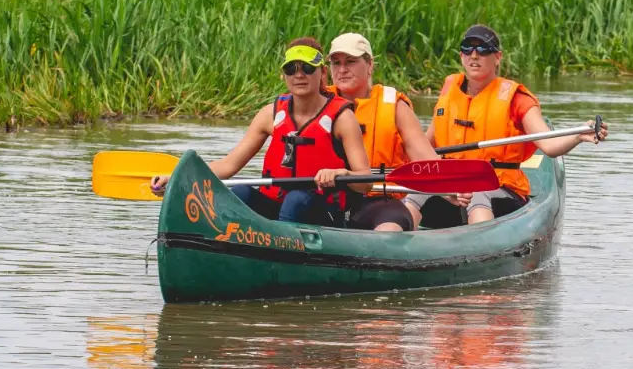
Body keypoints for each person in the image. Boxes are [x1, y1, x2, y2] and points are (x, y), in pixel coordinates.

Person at [151, 38, 374, 225]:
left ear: (322, 73)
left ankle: (281, 256)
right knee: (241, 193)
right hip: (277, 207)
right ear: (283, 75)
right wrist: (176, 178)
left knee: (296, 200)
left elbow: (365, 182)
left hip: (323, 212)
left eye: (307, 68)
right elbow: (228, 166)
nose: (299, 75)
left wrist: (340, 174)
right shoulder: (270, 114)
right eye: (291, 69)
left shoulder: (342, 118)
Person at [405, 24, 608, 228]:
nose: (474, 55)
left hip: (500, 189)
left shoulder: (516, 99)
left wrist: (579, 135)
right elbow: (423, 146)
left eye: (483, 49)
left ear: (498, 57)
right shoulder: (449, 92)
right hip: (452, 190)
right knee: (416, 194)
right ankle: (396, 250)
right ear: (461, 56)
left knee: (479, 194)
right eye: (468, 49)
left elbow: (550, 145)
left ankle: (481, 251)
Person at [325, 32, 441, 232]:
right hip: (329, 201)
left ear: (370, 65)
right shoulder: (318, 102)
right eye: (336, 63)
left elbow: (425, 160)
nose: (342, 70)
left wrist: (451, 190)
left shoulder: (395, 106)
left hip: (381, 201)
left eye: (351, 62)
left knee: (389, 229)